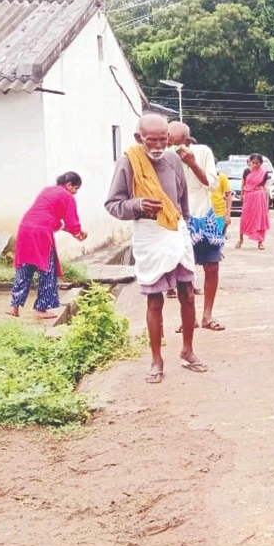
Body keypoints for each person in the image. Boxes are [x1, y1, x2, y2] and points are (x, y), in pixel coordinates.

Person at [106, 114, 205, 383]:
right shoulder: (128, 161)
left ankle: (188, 350)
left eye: (164, 139)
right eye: (153, 140)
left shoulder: (173, 159)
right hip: (149, 234)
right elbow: (113, 204)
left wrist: (185, 225)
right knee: (155, 300)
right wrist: (138, 205)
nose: (160, 145)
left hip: (176, 231)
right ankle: (156, 360)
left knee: (188, 293)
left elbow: (182, 197)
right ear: (140, 139)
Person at [168, 123, 226, 332]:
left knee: (212, 266)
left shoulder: (202, 153)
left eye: (175, 143)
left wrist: (192, 164)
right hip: (179, 220)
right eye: (168, 143)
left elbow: (212, 185)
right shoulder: (164, 156)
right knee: (184, 271)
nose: (170, 147)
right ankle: (188, 317)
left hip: (204, 216)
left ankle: (207, 315)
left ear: (187, 141)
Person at [8, 172, 88, 319]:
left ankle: (14, 307)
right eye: (76, 188)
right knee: (46, 269)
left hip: (25, 228)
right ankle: (41, 309)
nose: (76, 193)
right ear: (69, 184)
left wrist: (74, 231)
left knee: (25, 268)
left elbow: (52, 218)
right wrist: (78, 233)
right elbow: (71, 222)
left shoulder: (47, 191)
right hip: (41, 233)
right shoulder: (67, 196)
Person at [237, 153, 271, 250]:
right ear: (250, 162)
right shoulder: (246, 171)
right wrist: (242, 194)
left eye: (258, 163)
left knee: (260, 218)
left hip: (259, 197)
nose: (256, 165)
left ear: (261, 163)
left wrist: (266, 199)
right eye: (254, 163)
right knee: (244, 218)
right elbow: (243, 183)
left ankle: (260, 242)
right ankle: (240, 239)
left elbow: (264, 186)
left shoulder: (264, 173)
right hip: (248, 196)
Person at [211, 167, 233, 238]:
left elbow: (228, 195)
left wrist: (228, 215)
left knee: (217, 237)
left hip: (219, 213)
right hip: (204, 212)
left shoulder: (222, 177)